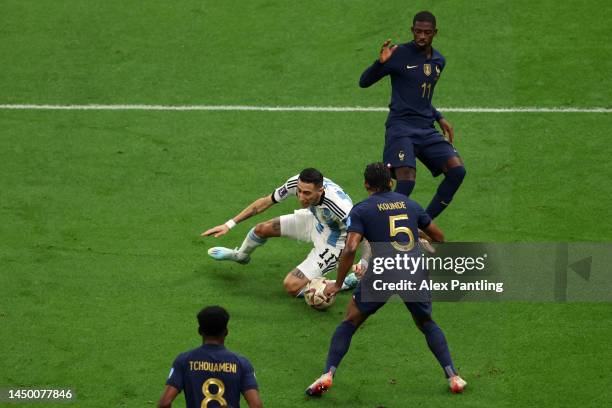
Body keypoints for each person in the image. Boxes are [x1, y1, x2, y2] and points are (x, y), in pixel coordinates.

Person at [305, 163, 467, 397]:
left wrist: (338, 283)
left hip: (382, 272)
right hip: (412, 270)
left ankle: (327, 374)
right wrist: (417, 234)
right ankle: (453, 376)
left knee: (349, 322)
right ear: (390, 182)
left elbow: (351, 247)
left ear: (366, 184)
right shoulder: (410, 204)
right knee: (426, 322)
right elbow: (439, 236)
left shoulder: (361, 209)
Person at [359, 11, 466, 220]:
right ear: (412, 30)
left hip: (426, 128)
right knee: (407, 180)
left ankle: (422, 223)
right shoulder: (398, 53)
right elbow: (364, 82)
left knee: (457, 171)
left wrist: (439, 116)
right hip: (400, 127)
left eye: (427, 32)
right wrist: (379, 64)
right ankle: (379, 227)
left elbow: (420, 96)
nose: (422, 36)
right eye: (418, 31)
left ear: (435, 33)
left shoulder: (438, 61)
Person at [202, 168, 359, 297]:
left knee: (291, 286)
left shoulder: (341, 207)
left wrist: (363, 263)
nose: (301, 198)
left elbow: (364, 236)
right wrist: (229, 224)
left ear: (321, 190)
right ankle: (241, 256)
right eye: (299, 191)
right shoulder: (296, 182)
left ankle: (343, 283)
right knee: (261, 229)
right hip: (316, 220)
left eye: (307, 193)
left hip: (334, 241)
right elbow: (265, 202)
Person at [158, 306, 263, 408]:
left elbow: (164, 403)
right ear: (226, 332)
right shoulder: (242, 364)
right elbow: (256, 405)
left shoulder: (184, 360)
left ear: (199, 331)